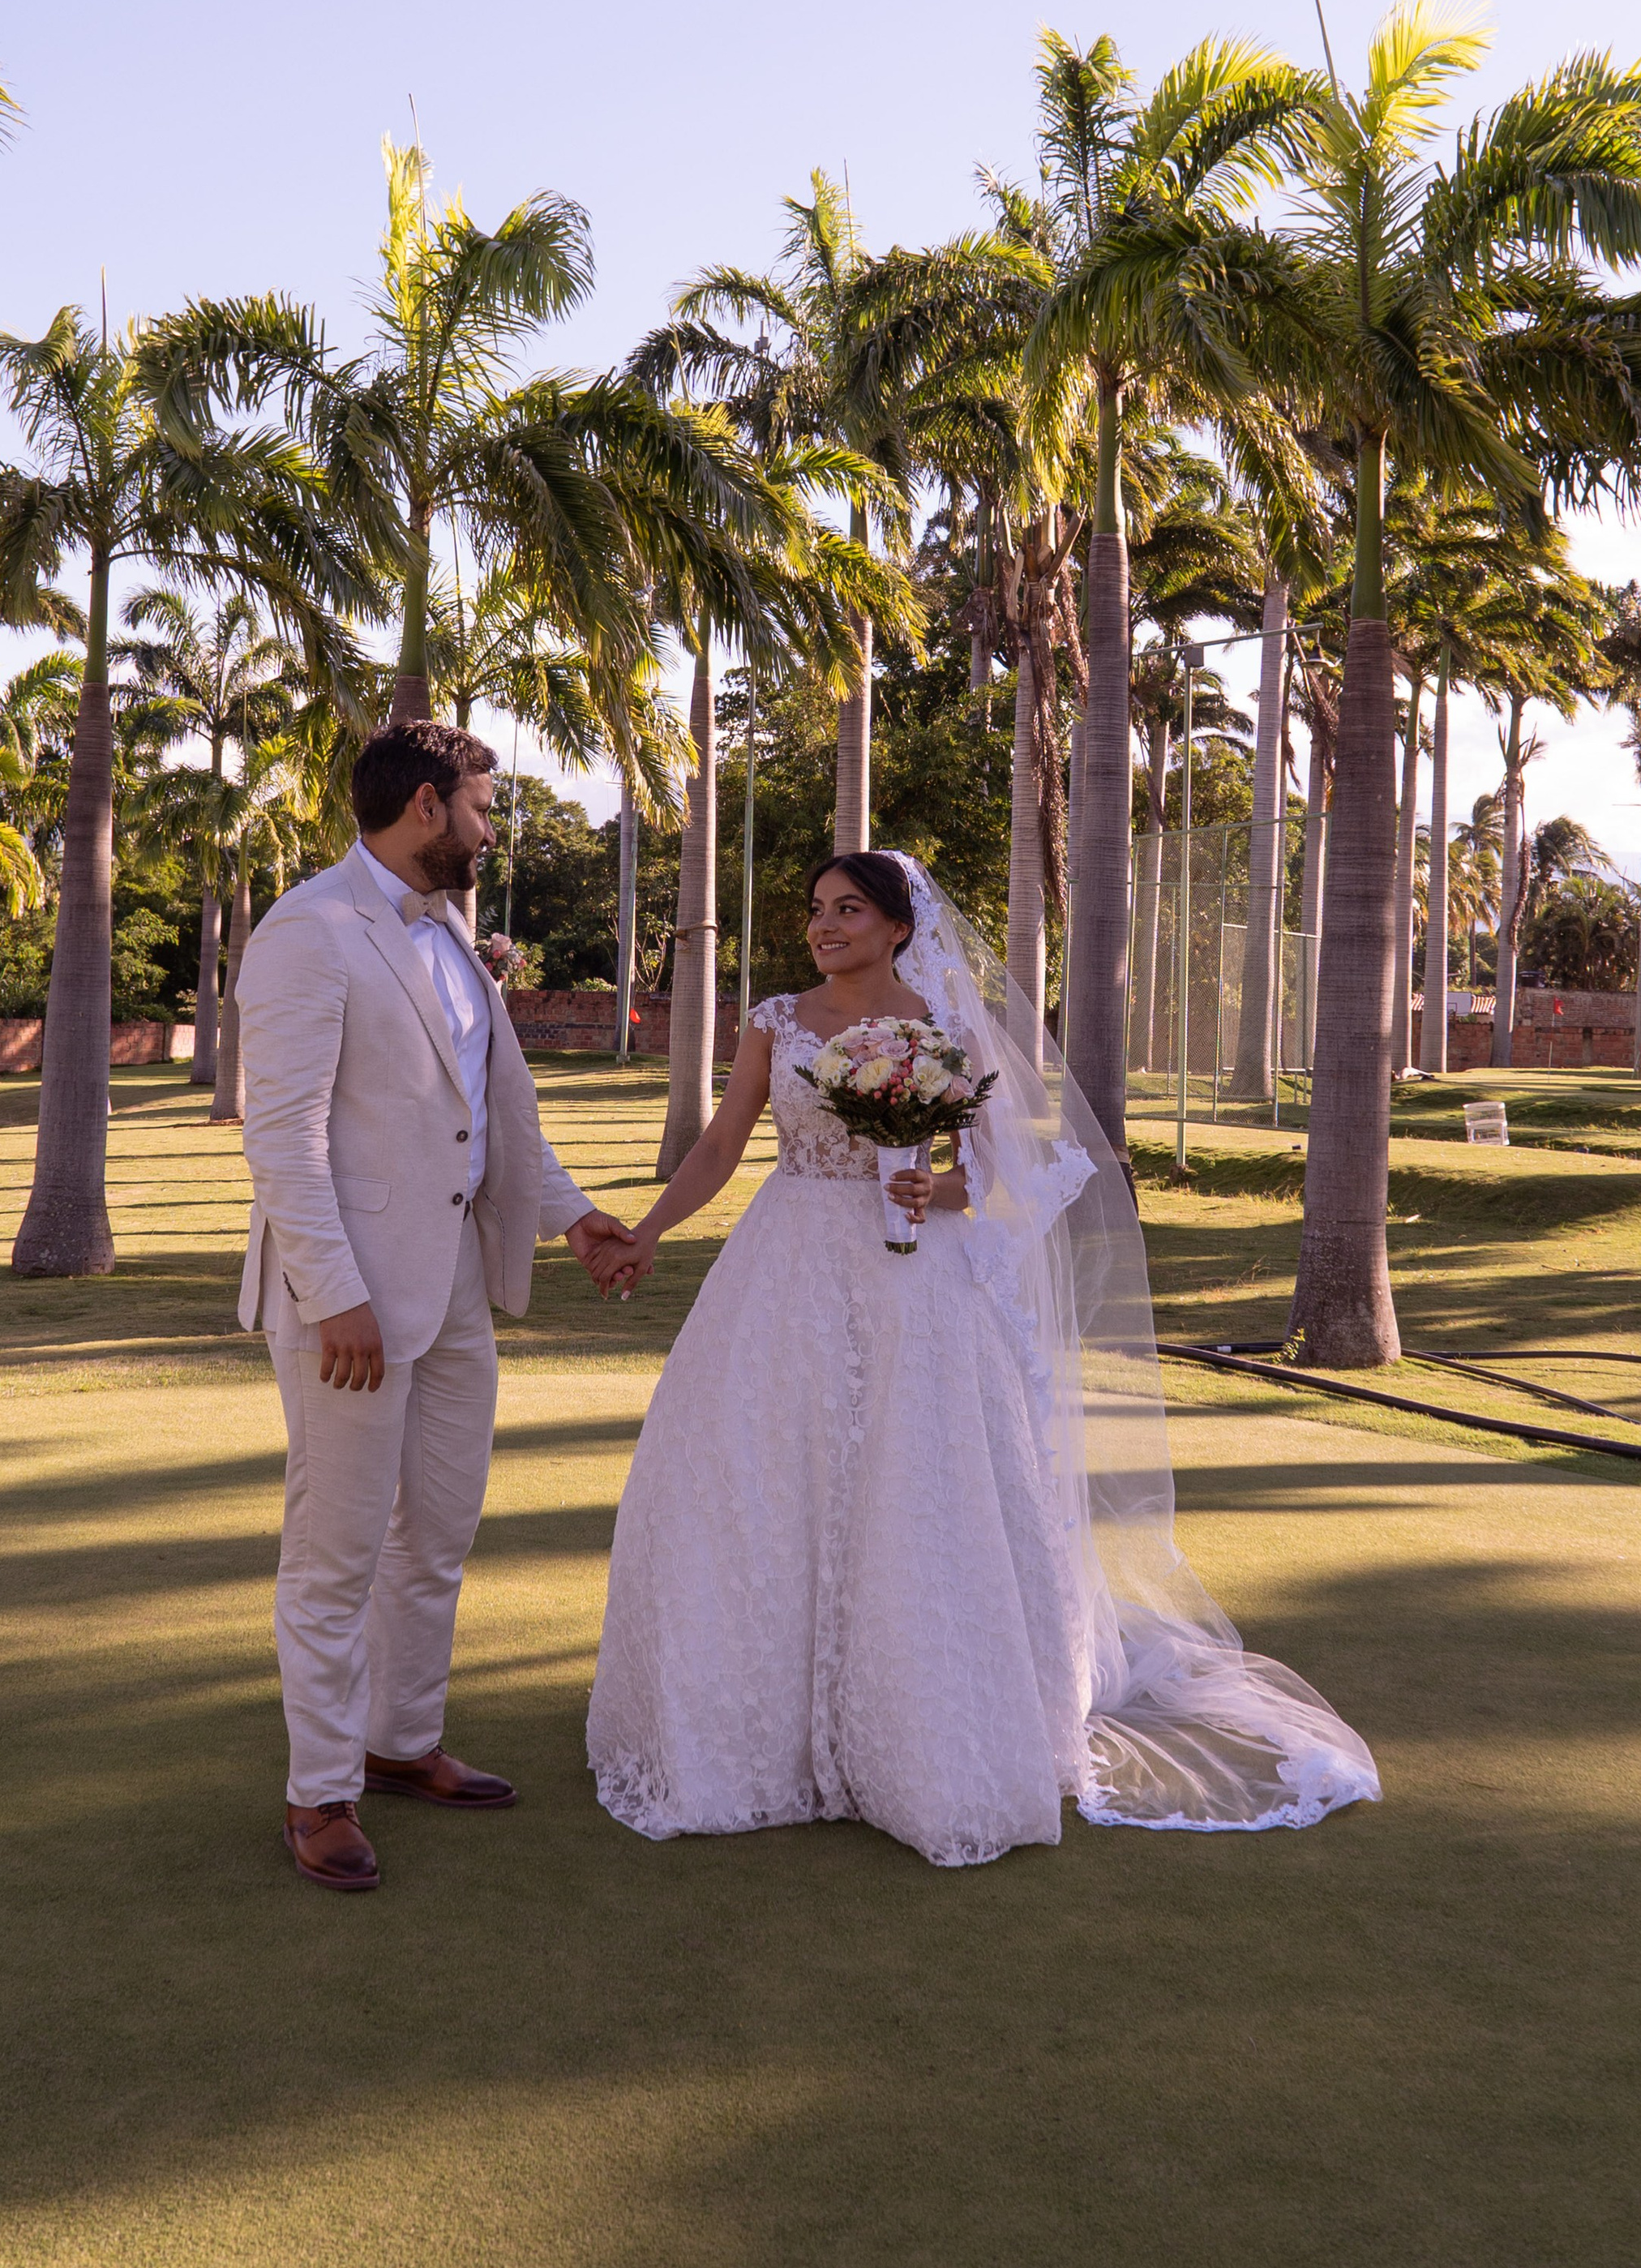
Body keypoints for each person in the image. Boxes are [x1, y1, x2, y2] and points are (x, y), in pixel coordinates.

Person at [585, 850, 1379, 1869]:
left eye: (847, 910)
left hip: (915, 1283)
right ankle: (751, 1731)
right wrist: (649, 1230)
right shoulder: (775, 1021)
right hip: (783, 1265)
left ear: (898, 925)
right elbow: (721, 1145)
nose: (824, 927)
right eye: (816, 909)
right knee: (756, 1474)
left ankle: (919, 1740)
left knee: (916, 1485)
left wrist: (934, 1193)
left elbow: (997, 1171)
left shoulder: (946, 1025)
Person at [235, 719, 636, 1892]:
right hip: (346, 1303)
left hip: (456, 1285)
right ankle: (320, 1794)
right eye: (481, 804)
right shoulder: (309, 930)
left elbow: (496, 1111)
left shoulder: (450, 930)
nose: (489, 826)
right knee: (336, 1549)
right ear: (425, 806)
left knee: (440, 1532)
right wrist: (334, 1294)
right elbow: (285, 1140)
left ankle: (402, 1742)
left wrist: (571, 1216)